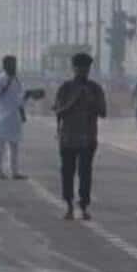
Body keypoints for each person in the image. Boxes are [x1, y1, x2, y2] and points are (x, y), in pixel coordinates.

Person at [53, 52, 108, 220]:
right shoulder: (66, 88)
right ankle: (69, 205)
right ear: (74, 68)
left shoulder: (95, 88)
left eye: (86, 68)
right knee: (67, 172)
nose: (83, 71)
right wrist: (74, 101)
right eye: (80, 68)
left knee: (85, 173)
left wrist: (91, 100)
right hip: (68, 138)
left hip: (88, 138)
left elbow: (103, 112)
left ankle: (83, 205)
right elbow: (58, 111)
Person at [0, 55, 29, 179]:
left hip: (14, 118)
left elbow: (19, 100)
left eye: (15, 64)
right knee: (0, 147)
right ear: (5, 65)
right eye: (11, 64)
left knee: (14, 147)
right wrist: (6, 86)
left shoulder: (17, 80)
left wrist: (23, 113)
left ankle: (15, 172)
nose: (14, 67)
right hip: (2, 118)